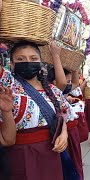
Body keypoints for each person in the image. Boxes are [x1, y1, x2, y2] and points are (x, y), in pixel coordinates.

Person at [3, 41, 74, 180]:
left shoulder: (52, 90)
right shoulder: (7, 88)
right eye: (20, 59)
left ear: (41, 62)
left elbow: (62, 114)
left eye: (33, 58)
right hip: (21, 156)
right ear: (11, 64)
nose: (28, 62)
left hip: (51, 153)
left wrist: (64, 134)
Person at [47, 67, 84, 179]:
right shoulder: (51, 91)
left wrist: (74, 69)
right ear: (54, 82)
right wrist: (56, 55)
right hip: (66, 133)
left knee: (75, 161)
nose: (68, 84)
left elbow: (75, 83)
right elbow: (63, 83)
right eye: (66, 81)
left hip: (71, 132)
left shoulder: (60, 92)